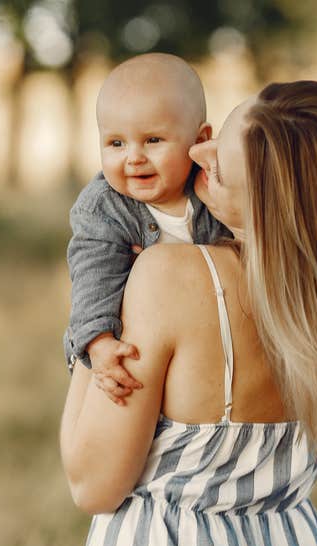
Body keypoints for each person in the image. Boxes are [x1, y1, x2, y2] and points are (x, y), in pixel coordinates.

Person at [60, 80, 317, 546]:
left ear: (272, 206)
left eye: (217, 165)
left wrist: (98, 321)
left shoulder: (169, 278)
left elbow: (91, 483)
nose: (195, 151)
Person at [63, 53, 232, 402]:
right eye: (116, 143)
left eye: (153, 140)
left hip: (204, 342)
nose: (134, 157)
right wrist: (99, 342)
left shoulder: (217, 187)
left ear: (200, 140)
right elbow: (94, 273)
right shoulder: (105, 208)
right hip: (131, 347)